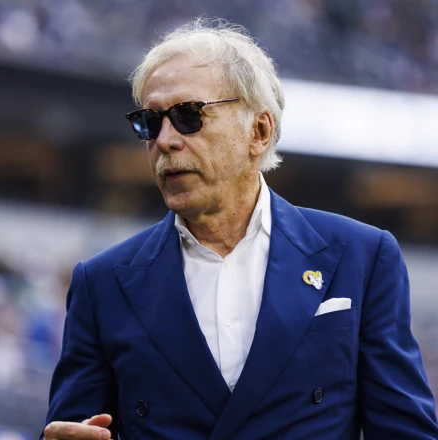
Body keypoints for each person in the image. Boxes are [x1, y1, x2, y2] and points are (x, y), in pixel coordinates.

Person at [42, 18, 438, 440]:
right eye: (151, 122)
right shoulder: (101, 282)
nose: (165, 140)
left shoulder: (363, 256)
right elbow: (72, 428)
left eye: (188, 115)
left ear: (259, 132)